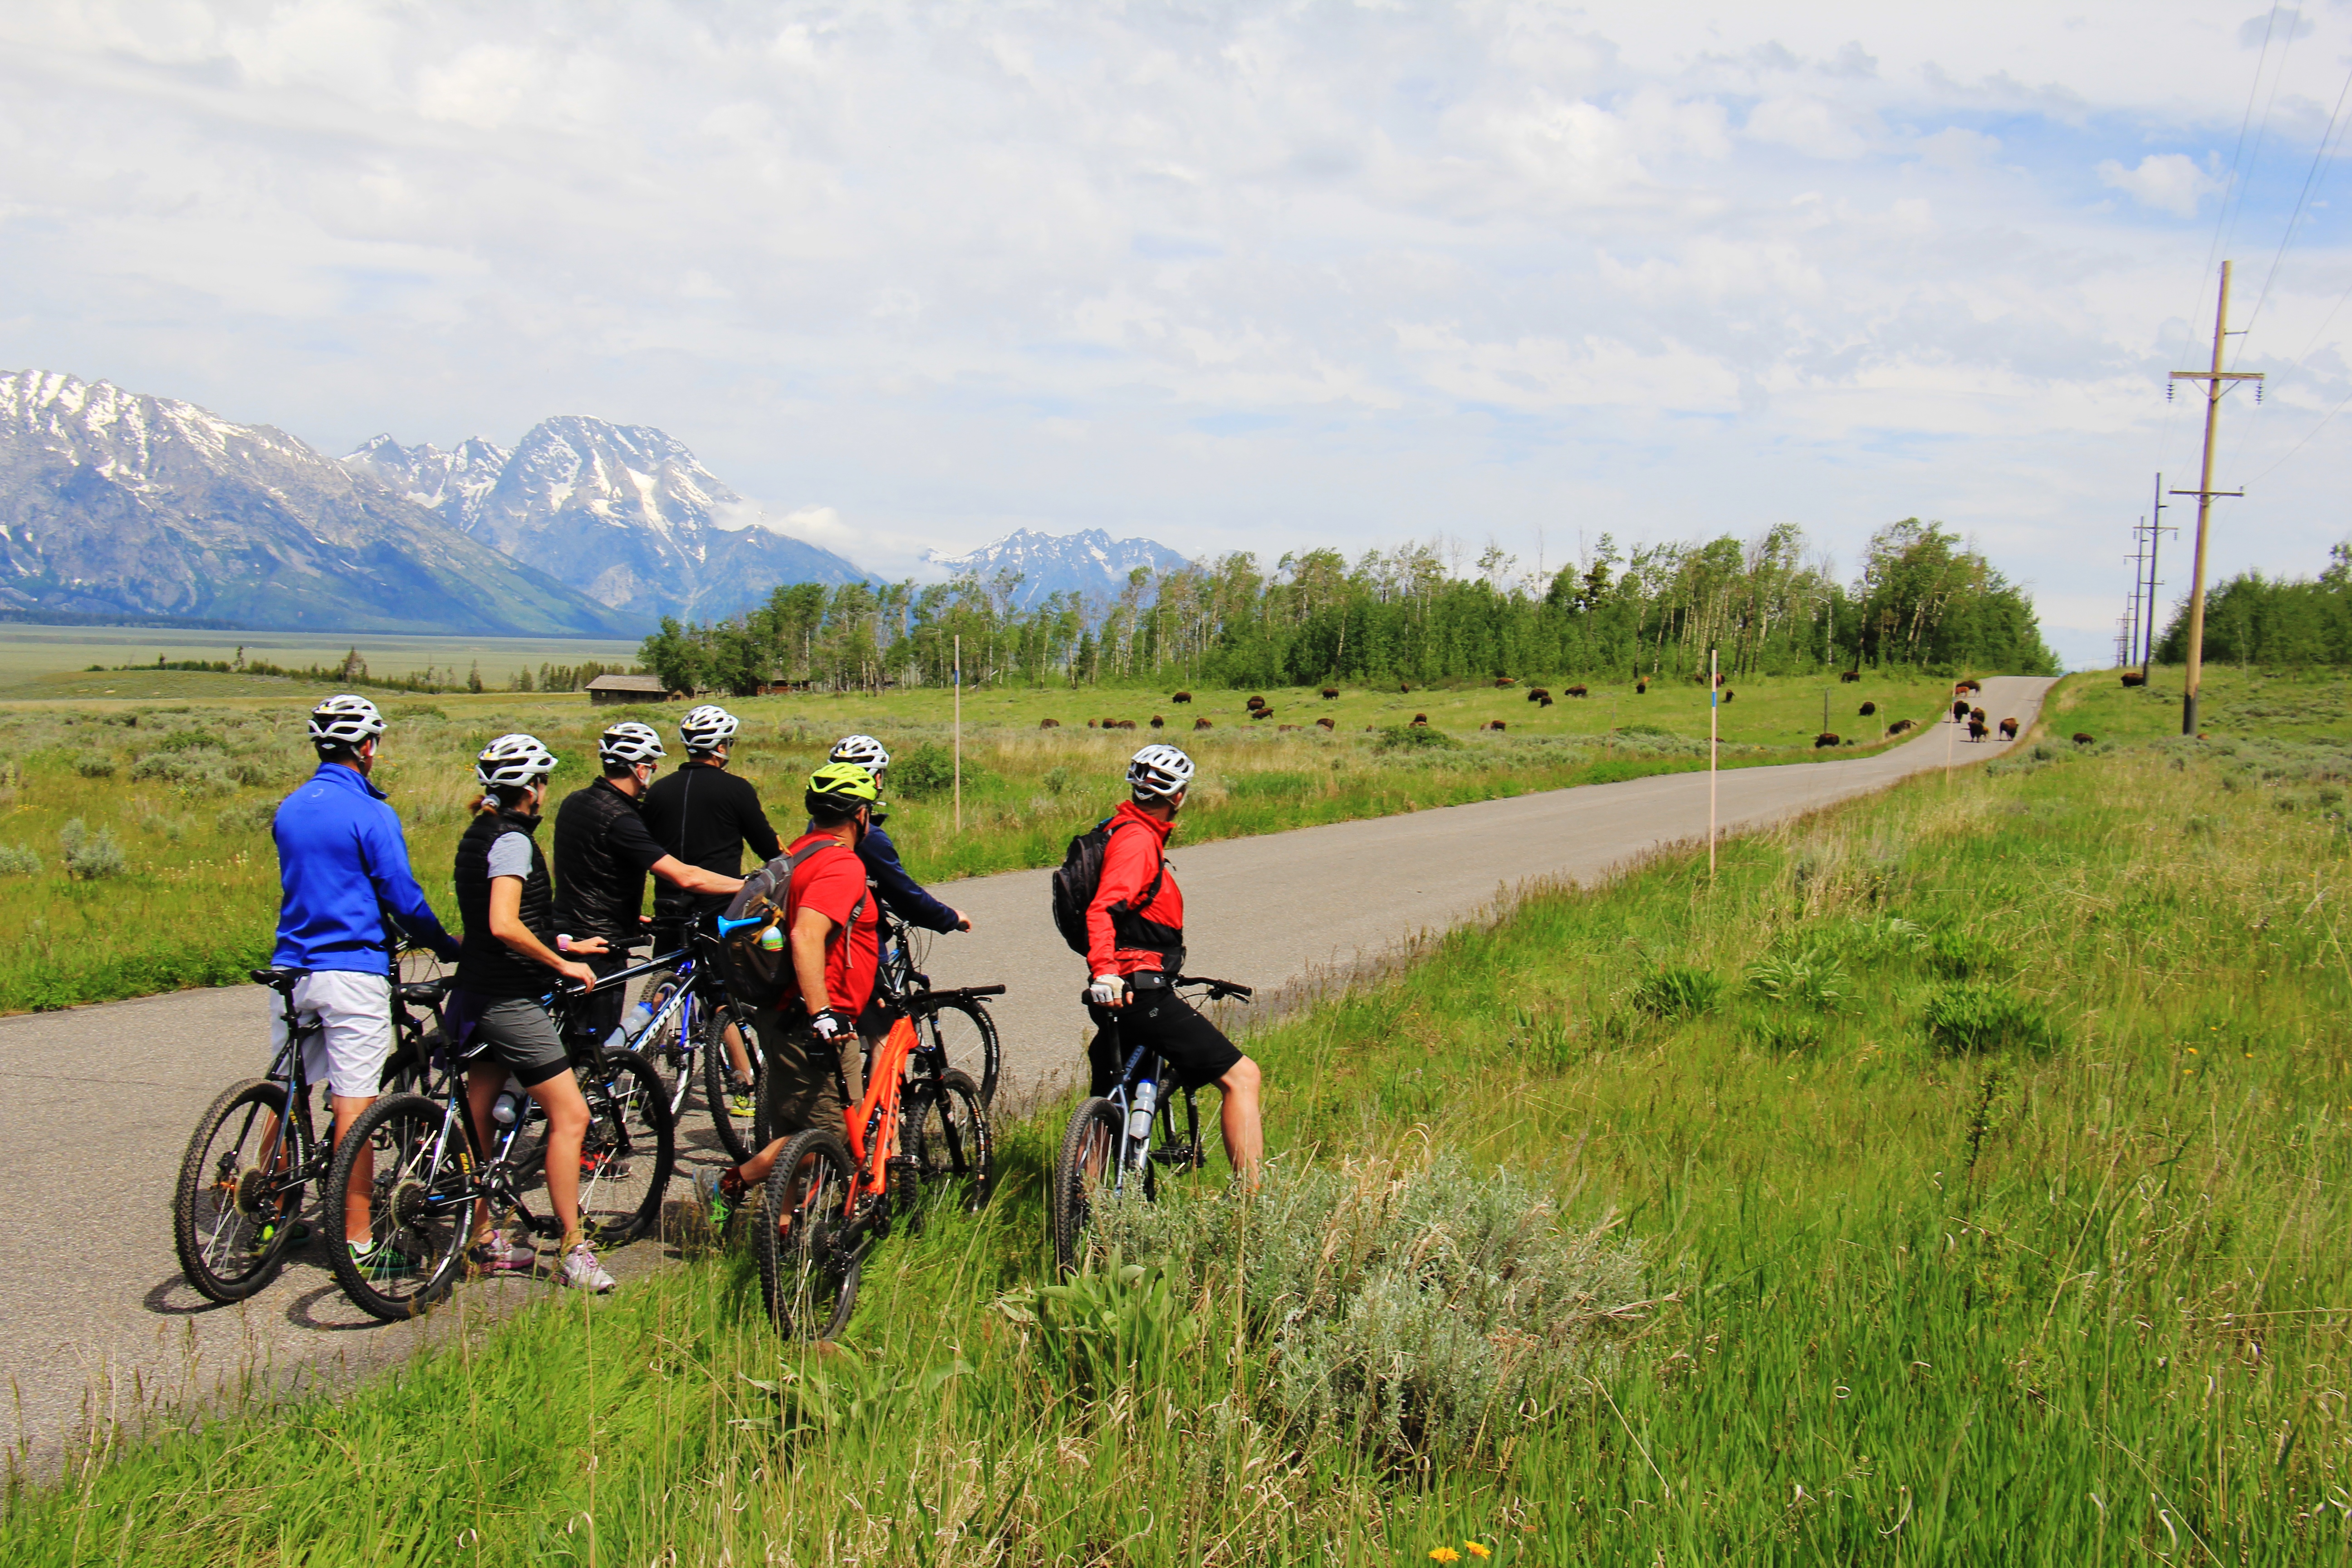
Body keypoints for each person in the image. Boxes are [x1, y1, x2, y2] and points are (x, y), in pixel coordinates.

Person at [268, 694, 464, 1269]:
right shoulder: (371, 812)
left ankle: (270, 1213)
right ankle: (359, 1242)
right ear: (368, 748)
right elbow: (402, 897)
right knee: (356, 1106)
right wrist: (446, 945)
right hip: (351, 971)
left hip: (291, 967)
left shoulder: (291, 807)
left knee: (289, 1095)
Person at [445, 734, 616, 1291]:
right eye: (543, 782)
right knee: (572, 1117)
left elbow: (506, 923)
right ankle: (573, 1247)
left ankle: (483, 1234)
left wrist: (565, 944)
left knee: (480, 1107)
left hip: (473, 990)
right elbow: (503, 924)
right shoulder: (514, 841)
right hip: (509, 997)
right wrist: (561, 966)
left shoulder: (479, 834)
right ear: (533, 788)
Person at [696, 764, 884, 1229]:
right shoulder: (842, 864)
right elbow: (805, 936)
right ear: (860, 816)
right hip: (813, 1023)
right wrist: (824, 1014)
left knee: (793, 1134)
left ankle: (781, 1237)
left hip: (778, 1013)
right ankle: (729, 1184)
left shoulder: (797, 854)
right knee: (830, 1136)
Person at [1083, 744, 1262, 1183]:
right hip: (1137, 990)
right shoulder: (1138, 840)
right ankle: (1255, 1206)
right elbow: (1103, 909)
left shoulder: (1119, 829)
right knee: (1242, 1077)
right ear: (1178, 795)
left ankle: (1083, 1200)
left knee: (1112, 1096)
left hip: (1122, 986)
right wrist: (1105, 969)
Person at [550, 720, 746, 1052]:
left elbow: (575, 868)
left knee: (569, 1032)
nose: (652, 773)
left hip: (567, 927)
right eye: (652, 766)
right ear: (640, 768)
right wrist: (743, 886)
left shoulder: (576, 801)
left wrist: (626, 910)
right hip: (600, 939)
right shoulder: (622, 819)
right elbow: (685, 876)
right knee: (595, 1050)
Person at [640, 704, 780, 1116]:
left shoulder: (658, 792)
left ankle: (642, 1064)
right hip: (718, 905)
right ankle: (744, 1080)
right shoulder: (736, 790)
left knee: (666, 986)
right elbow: (769, 849)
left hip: (667, 904)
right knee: (723, 995)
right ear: (720, 747)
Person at [824, 735, 972, 940]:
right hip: (856, 943)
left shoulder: (817, 825)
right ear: (876, 779)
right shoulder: (867, 837)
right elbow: (904, 894)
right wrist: (950, 918)